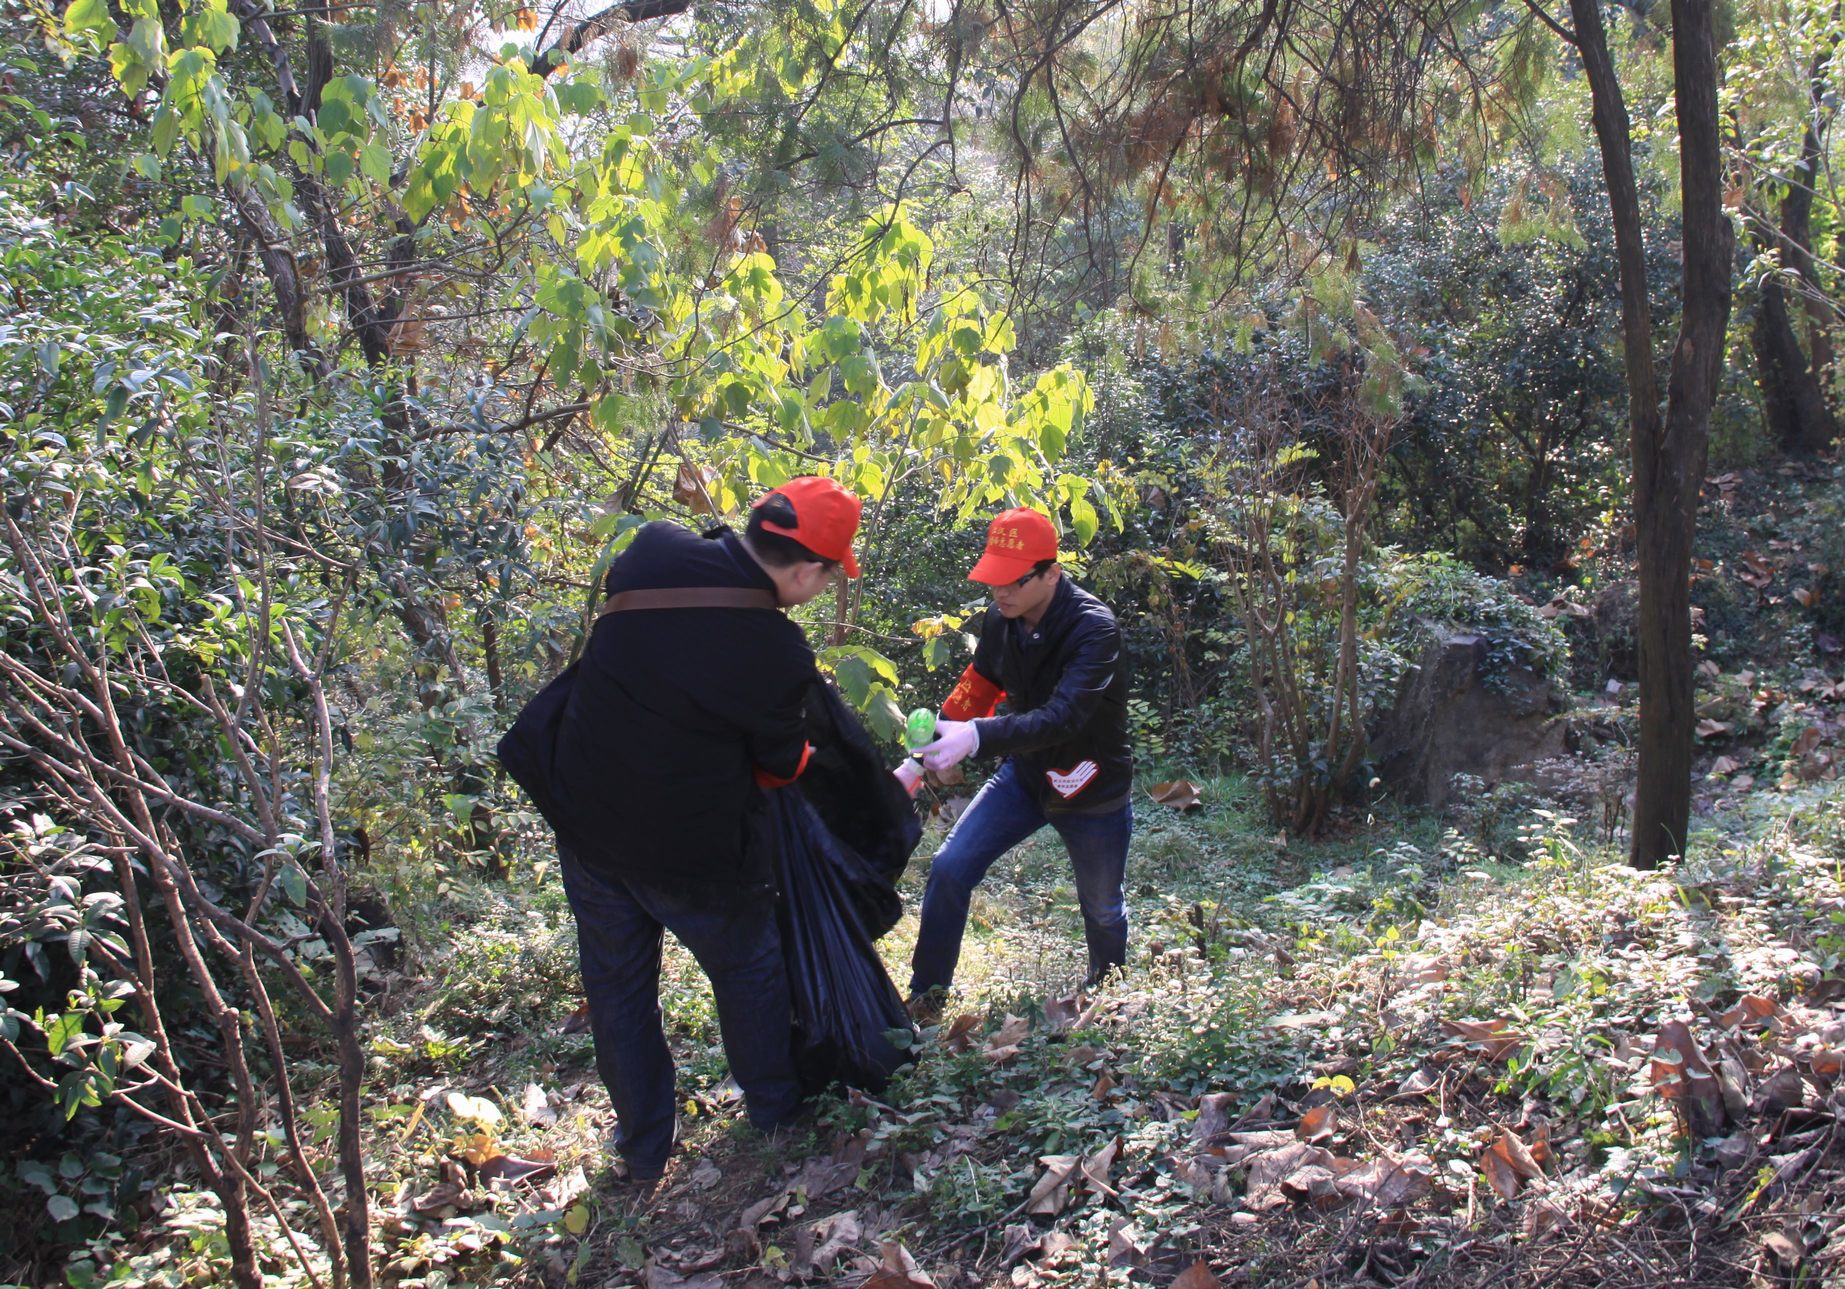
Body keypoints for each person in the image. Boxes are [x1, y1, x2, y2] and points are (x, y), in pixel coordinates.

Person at [545, 476, 861, 1183]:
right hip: (686, 847)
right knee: (747, 966)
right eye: (829, 576)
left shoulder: (652, 547)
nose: (823, 588)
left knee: (617, 986)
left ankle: (642, 1148)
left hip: (587, 815)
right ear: (806, 571)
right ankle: (773, 1109)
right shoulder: (777, 652)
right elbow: (779, 766)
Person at [899, 506, 1133, 1015]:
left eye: (1013, 581)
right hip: (1025, 777)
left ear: (1052, 574)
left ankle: (1108, 996)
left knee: (1102, 907)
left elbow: (1064, 717)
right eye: (993, 580)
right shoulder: (1000, 621)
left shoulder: (1094, 629)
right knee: (950, 868)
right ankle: (926, 996)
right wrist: (925, 753)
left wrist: (975, 737)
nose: (1000, 592)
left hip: (1090, 783)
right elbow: (978, 685)